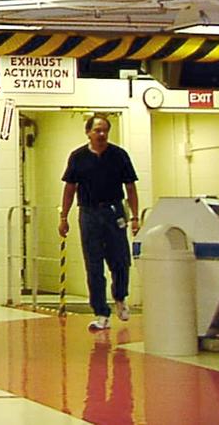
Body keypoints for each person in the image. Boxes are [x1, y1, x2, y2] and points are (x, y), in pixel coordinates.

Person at [58, 113, 140, 332]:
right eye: (97, 130)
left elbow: (130, 187)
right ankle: (101, 312)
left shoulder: (119, 155)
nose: (101, 134)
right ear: (88, 133)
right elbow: (69, 189)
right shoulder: (78, 157)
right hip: (89, 213)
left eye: (105, 130)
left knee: (120, 260)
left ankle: (120, 297)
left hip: (115, 211)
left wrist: (135, 216)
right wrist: (63, 217)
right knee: (93, 265)